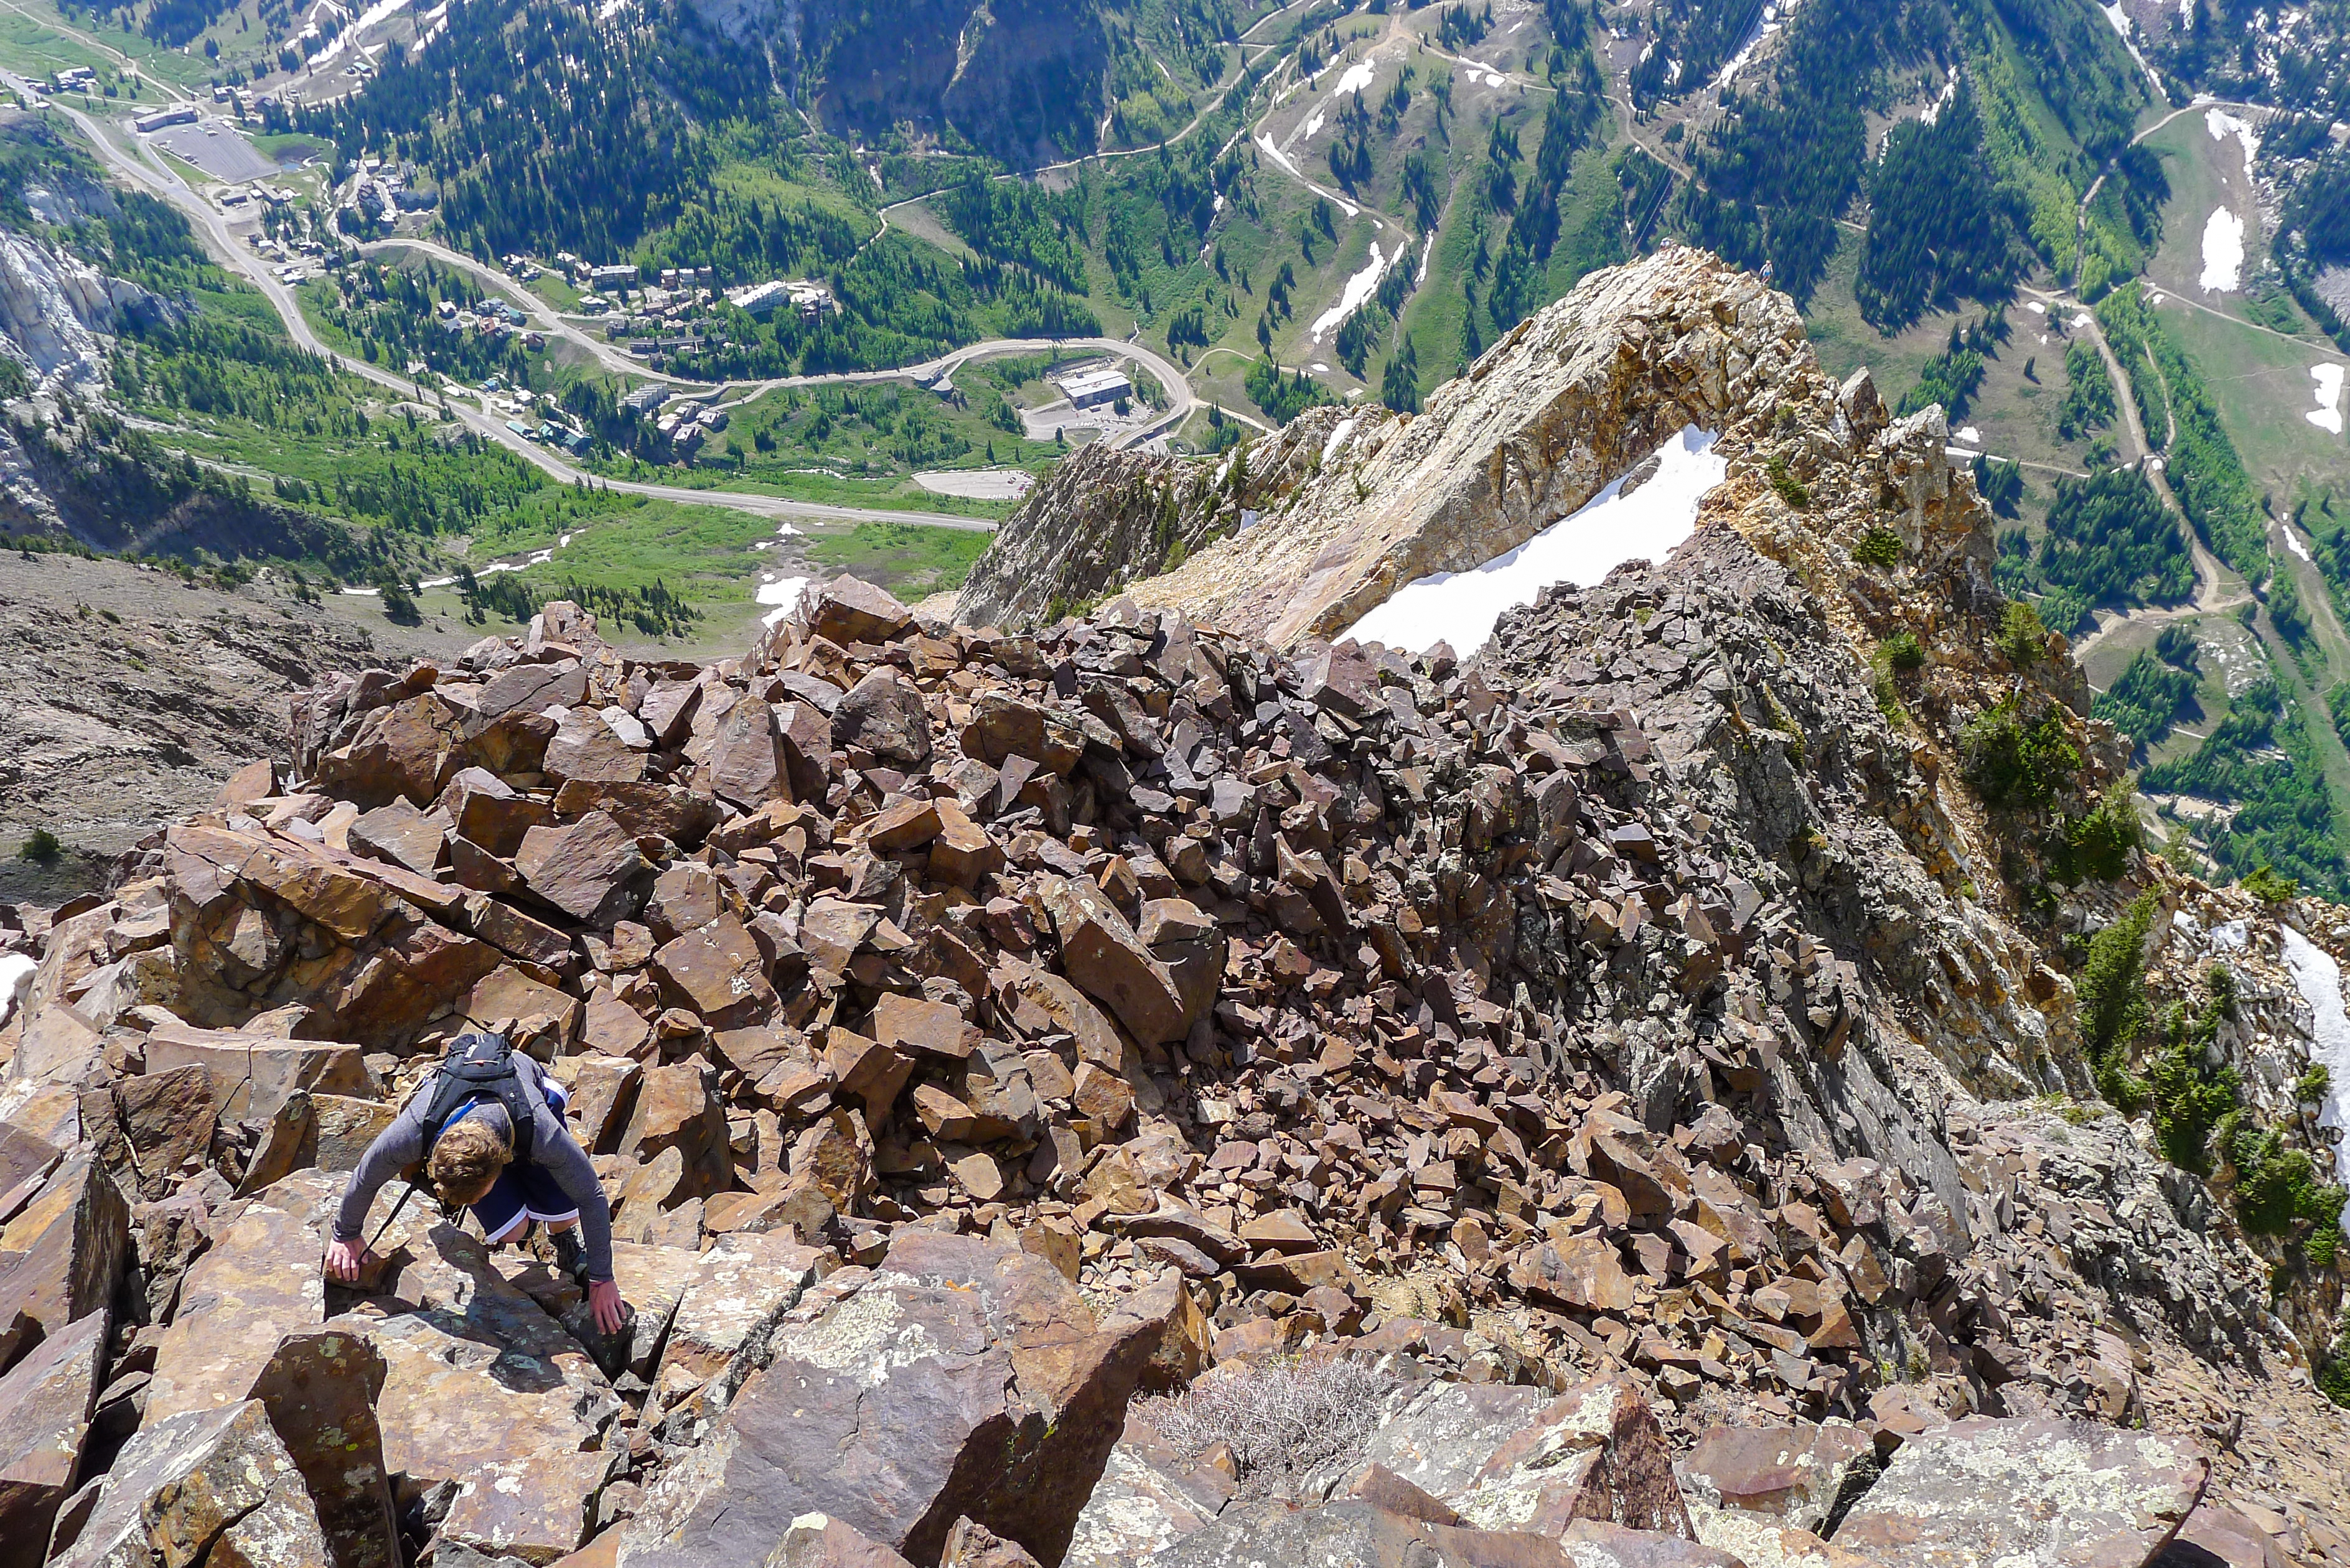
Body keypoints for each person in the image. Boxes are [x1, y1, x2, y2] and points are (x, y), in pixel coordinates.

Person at [325, 1029, 627, 1335]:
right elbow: (367, 1173)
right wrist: (345, 1234)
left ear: (498, 1169)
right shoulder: (416, 1129)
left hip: (525, 1106)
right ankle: (525, 1215)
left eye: (477, 1196)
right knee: (513, 1232)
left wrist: (601, 1279)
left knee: (566, 1211)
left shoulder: (542, 1130)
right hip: (475, 1116)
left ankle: (561, 1237)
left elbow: (591, 1196)